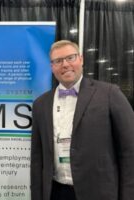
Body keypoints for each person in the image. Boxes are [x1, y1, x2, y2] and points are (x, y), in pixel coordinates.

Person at [31, 40, 134, 200]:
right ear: (52, 67)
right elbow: (37, 158)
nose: (65, 64)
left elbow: (129, 150)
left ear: (81, 59)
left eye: (70, 58)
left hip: (99, 193)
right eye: (58, 61)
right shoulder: (40, 104)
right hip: (55, 192)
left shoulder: (109, 94)